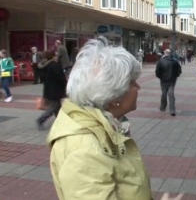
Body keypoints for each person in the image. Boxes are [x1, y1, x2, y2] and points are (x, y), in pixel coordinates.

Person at [47, 37, 182, 200]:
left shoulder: (107, 125)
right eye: (133, 83)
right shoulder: (85, 151)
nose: (138, 87)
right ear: (113, 97)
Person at [36, 50, 67, 131]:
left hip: (48, 89)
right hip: (55, 90)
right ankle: (40, 120)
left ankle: (60, 122)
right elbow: (60, 78)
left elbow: (42, 78)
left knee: (57, 108)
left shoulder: (43, 65)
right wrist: (66, 83)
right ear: (53, 56)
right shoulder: (54, 65)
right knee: (53, 108)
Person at [155, 49, 182, 116]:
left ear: (165, 53)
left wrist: (160, 77)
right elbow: (179, 71)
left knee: (164, 94)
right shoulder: (175, 61)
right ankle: (172, 110)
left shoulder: (161, 61)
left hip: (164, 81)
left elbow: (157, 71)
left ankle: (163, 107)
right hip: (172, 81)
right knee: (171, 94)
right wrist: (175, 76)